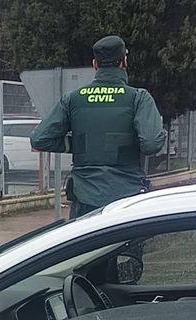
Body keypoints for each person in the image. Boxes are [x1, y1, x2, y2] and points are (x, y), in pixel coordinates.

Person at [30, 35, 167, 219]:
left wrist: (75, 144)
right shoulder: (138, 98)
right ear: (124, 61)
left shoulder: (72, 99)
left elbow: (39, 139)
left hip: (85, 199)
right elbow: (151, 144)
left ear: (95, 64)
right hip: (127, 199)